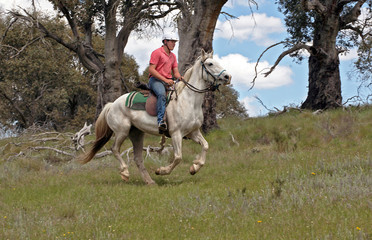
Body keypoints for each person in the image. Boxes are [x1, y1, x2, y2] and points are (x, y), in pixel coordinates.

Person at [148, 32, 183, 133]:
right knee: (162, 94)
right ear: (165, 41)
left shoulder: (173, 56)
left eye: (174, 42)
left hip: (167, 81)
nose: (174, 44)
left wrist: (180, 78)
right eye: (172, 41)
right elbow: (151, 70)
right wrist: (165, 80)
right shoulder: (157, 52)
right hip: (155, 80)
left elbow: (175, 72)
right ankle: (160, 121)